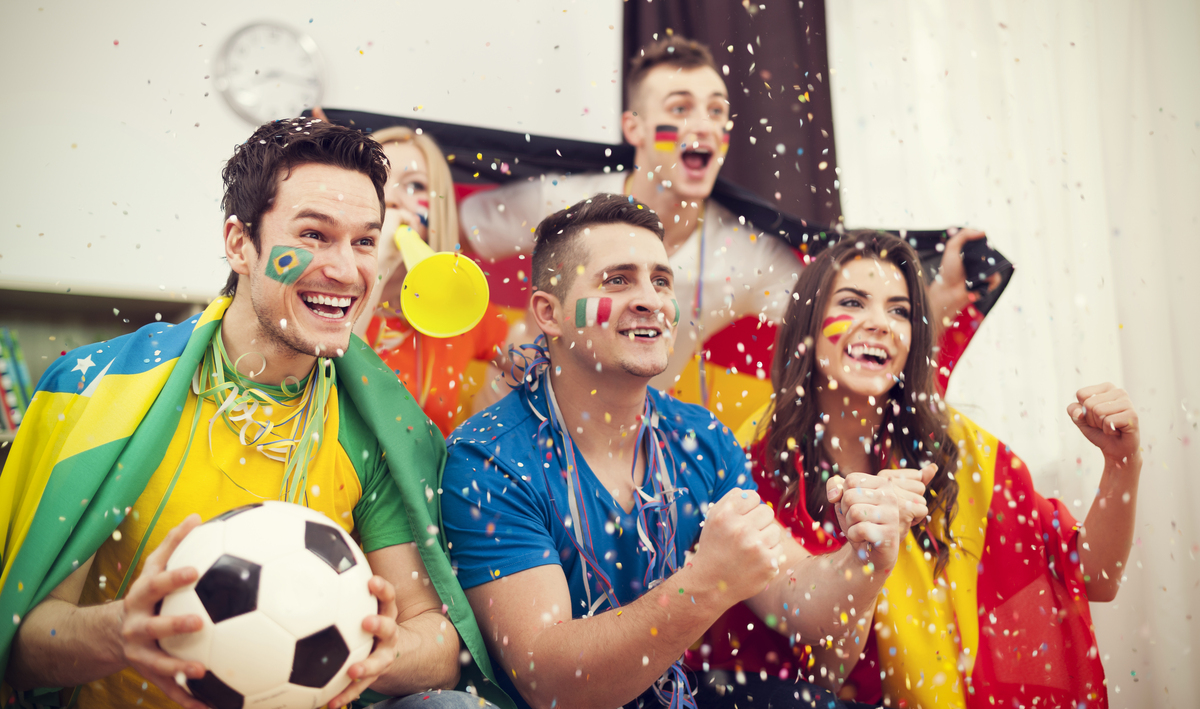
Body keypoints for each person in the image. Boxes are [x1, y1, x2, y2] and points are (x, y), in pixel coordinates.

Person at [0, 118, 510, 709]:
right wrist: (124, 631)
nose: (347, 271)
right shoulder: (110, 391)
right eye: (315, 235)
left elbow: (440, 643)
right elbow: (24, 642)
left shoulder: (374, 426)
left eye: (365, 241)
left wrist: (375, 649)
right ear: (240, 244)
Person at [440, 194, 925, 709]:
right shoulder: (487, 458)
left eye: (661, 280)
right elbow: (551, 682)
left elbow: (796, 602)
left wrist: (865, 558)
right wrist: (706, 584)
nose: (650, 299)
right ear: (548, 313)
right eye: (618, 280)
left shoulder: (700, 437)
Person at [701, 231, 1140, 707]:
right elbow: (815, 667)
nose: (880, 324)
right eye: (852, 301)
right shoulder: (750, 462)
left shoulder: (962, 451)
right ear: (807, 325)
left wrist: (1122, 464)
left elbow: (1095, 575)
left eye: (900, 311)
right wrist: (864, 558)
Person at [461, 35, 987, 402]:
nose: (705, 125)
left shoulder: (746, 254)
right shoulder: (558, 200)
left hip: (618, 456)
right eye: (682, 107)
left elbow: (837, 322)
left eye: (717, 110)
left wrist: (937, 299)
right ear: (635, 128)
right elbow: (450, 227)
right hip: (509, 422)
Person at [348, 124, 509, 436]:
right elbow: (334, 368)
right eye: (374, 179)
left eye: (415, 186)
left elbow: (541, 372)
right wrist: (377, 265)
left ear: (438, 210)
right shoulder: (318, 296)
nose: (391, 199)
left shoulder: (465, 306)